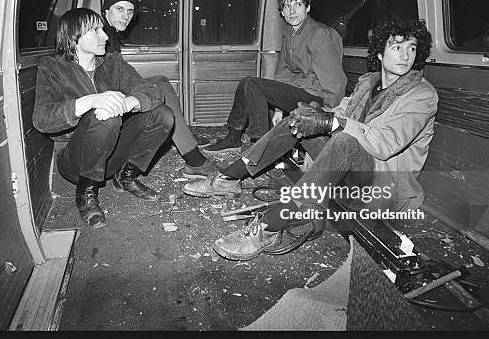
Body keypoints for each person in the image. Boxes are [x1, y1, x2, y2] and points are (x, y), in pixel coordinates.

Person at [184, 20, 438, 261]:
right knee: (297, 121)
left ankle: (270, 226)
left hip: (382, 182)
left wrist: (331, 122)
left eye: (411, 48)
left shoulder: (422, 95)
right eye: (396, 46)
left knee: (344, 142)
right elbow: (342, 112)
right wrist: (316, 114)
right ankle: (229, 179)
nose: (405, 55)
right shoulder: (368, 83)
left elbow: (385, 144)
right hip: (349, 168)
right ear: (381, 53)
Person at [33, 8, 175, 228]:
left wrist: (129, 102)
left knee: (163, 115)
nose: (106, 36)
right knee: (104, 114)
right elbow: (41, 119)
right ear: (74, 36)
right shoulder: (52, 67)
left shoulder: (112, 63)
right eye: (96, 30)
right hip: (75, 161)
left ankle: (126, 176)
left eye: (103, 29)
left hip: (111, 152)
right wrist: (91, 101)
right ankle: (87, 193)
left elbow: (152, 91)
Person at [201, 0, 346, 153]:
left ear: (307, 7)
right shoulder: (290, 34)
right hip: (300, 90)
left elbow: (335, 80)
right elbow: (283, 73)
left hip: (317, 97)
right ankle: (233, 138)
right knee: (246, 84)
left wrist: (327, 117)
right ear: (282, 12)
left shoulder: (319, 34)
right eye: (287, 6)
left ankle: (261, 146)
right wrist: (278, 109)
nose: (292, 11)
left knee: (252, 84)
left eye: (298, 5)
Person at [101, 0, 217, 179]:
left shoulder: (110, 34)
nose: (125, 16)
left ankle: (182, 135)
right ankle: (193, 159)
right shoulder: (102, 35)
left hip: (114, 92)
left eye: (130, 11)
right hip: (109, 100)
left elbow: (118, 75)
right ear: (106, 11)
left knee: (160, 80)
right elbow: (107, 81)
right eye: (119, 9)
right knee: (160, 86)